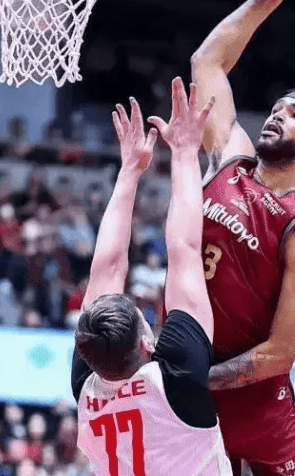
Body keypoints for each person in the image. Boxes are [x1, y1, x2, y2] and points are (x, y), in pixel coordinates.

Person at [190, 0, 295, 476]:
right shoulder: (228, 159)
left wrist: (197, 377)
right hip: (185, 391)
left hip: (256, 409)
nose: (278, 115)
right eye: (278, 108)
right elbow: (207, 62)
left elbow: (278, 354)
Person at [71, 79, 232, 476]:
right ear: (146, 343)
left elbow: (109, 268)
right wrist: (182, 154)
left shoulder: (89, 383)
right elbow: (184, 250)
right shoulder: (174, 379)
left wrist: (137, 168)